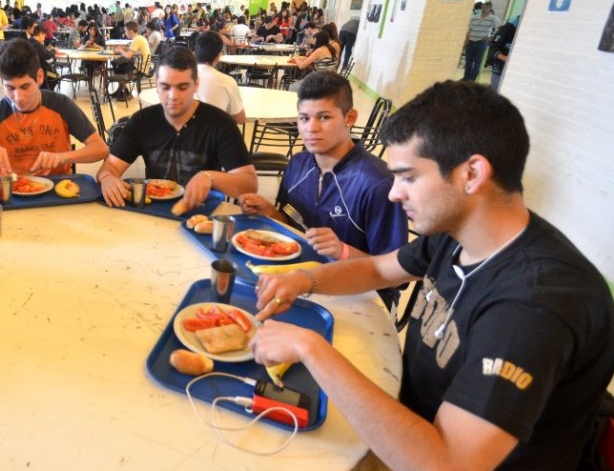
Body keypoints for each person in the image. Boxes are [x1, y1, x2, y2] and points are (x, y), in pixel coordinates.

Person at [246, 81, 614, 471]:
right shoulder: (460, 232)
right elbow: (379, 268)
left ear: (471, 174)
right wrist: (304, 278)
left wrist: (313, 349)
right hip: (419, 430)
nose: (394, 191)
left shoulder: (534, 305)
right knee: (272, 440)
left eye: (407, 177)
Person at [240, 70, 406, 304]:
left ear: (350, 118)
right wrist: (268, 211)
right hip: (302, 281)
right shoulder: (297, 164)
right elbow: (293, 225)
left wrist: (342, 251)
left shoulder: (377, 184)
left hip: (362, 297)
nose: (311, 128)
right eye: (304, 118)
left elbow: (397, 276)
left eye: (324, 117)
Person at [97, 46, 257, 209]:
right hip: (153, 211)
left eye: (182, 87)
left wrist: (210, 177)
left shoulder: (220, 123)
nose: (173, 96)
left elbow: (249, 183)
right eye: (165, 87)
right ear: (157, 86)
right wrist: (107, 178)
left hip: (202, 212)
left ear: (196, 85)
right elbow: (110, 167)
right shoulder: (142, 121)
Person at [0, 39, 108, 177]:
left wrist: (63, 157)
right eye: (10, 88)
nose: (18, 98)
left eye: (25, 87)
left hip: (57, 189)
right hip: (14, 191)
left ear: (40, 77)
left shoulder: (60, 105)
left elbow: (100, 149)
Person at [193, 31, 246, 124]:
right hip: (214, 136)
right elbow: (240, 119)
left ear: (194, 53)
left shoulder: (179, 78)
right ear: (218, 56)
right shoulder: (227, 82)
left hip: (185, 136)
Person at [463, 1, 499, 82]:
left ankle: (471, 80)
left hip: (481, 43)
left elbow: (499, 29)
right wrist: (468, 37)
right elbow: (468, 28)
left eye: (486, 8)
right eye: (482, 7)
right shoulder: (474, 17)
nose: (483, 9)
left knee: (477, 63)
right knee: (468, 62)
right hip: (471, 41)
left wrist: (491, 37)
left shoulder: (493, 18)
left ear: (490, 8)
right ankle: (465, 78)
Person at [488, 18, 517, 93]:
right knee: (495, 92)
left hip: (515, 70)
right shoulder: (507, 28)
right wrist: (503, 57)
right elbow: (493, 47)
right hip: (500, 67)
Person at [27, 25, 60, 90]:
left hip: (30, 70)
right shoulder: (37, 44)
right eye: (43, 36)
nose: (44, 38)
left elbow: (42, 53)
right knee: (56, 76)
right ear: (40, 34)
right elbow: (47, 56)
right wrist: (53, 51)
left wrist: (45, 47)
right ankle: (47, 93)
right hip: (40, 71)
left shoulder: (30, 41)